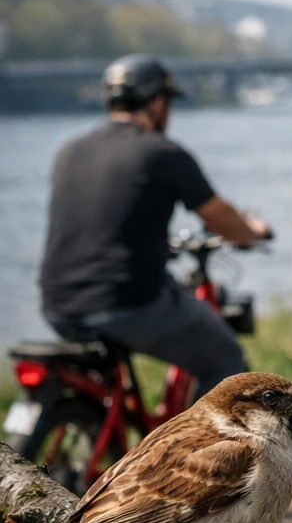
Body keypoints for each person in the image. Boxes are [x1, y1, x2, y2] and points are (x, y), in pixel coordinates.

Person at [41, 55, 267, 397]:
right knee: (226, 360)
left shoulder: (69, 150)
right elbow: (219, 216)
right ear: (158, 102)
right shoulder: (162, 153)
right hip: (126, 305)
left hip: (57, 304)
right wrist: (252, 231)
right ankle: (192, 435)